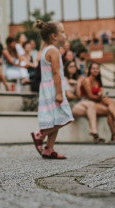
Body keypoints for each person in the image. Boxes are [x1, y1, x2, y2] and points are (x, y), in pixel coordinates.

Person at [30, 20, 73, 159]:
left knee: (56, 119)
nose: (64, 35)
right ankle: (40, 135)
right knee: (66, 118)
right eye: (62, 32)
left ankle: (49, 149)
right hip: (53, 89)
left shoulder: (46, 50)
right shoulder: (53, 51)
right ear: (54, 36)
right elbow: (56, 73)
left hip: (47, 88)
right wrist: (60, 93)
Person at [80, 62, 115, 142]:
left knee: (110, 108)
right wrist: (101, 98)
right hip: (88, 104)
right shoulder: (87, 80)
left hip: (96, 102)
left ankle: (114, 135)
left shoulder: (98, 81)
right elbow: (90, 96)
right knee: (110, 104)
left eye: (97, 68)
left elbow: (100, 95)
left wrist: (101, 98)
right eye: (93, 68)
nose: (95, 70)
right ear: (90, 70)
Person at [63, 60, 103, 143]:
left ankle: (94, 132)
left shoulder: (76, 79)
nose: (73, 68)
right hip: (69, 105)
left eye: (74, 66)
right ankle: (94, 132)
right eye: (71, 66)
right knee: (91, 105)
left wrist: (77, 84)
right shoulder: (64, 79)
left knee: (91, 109)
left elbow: (78, 95)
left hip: (77, 103)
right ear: (66, 68)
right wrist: (76, 94)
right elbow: (69, 96)